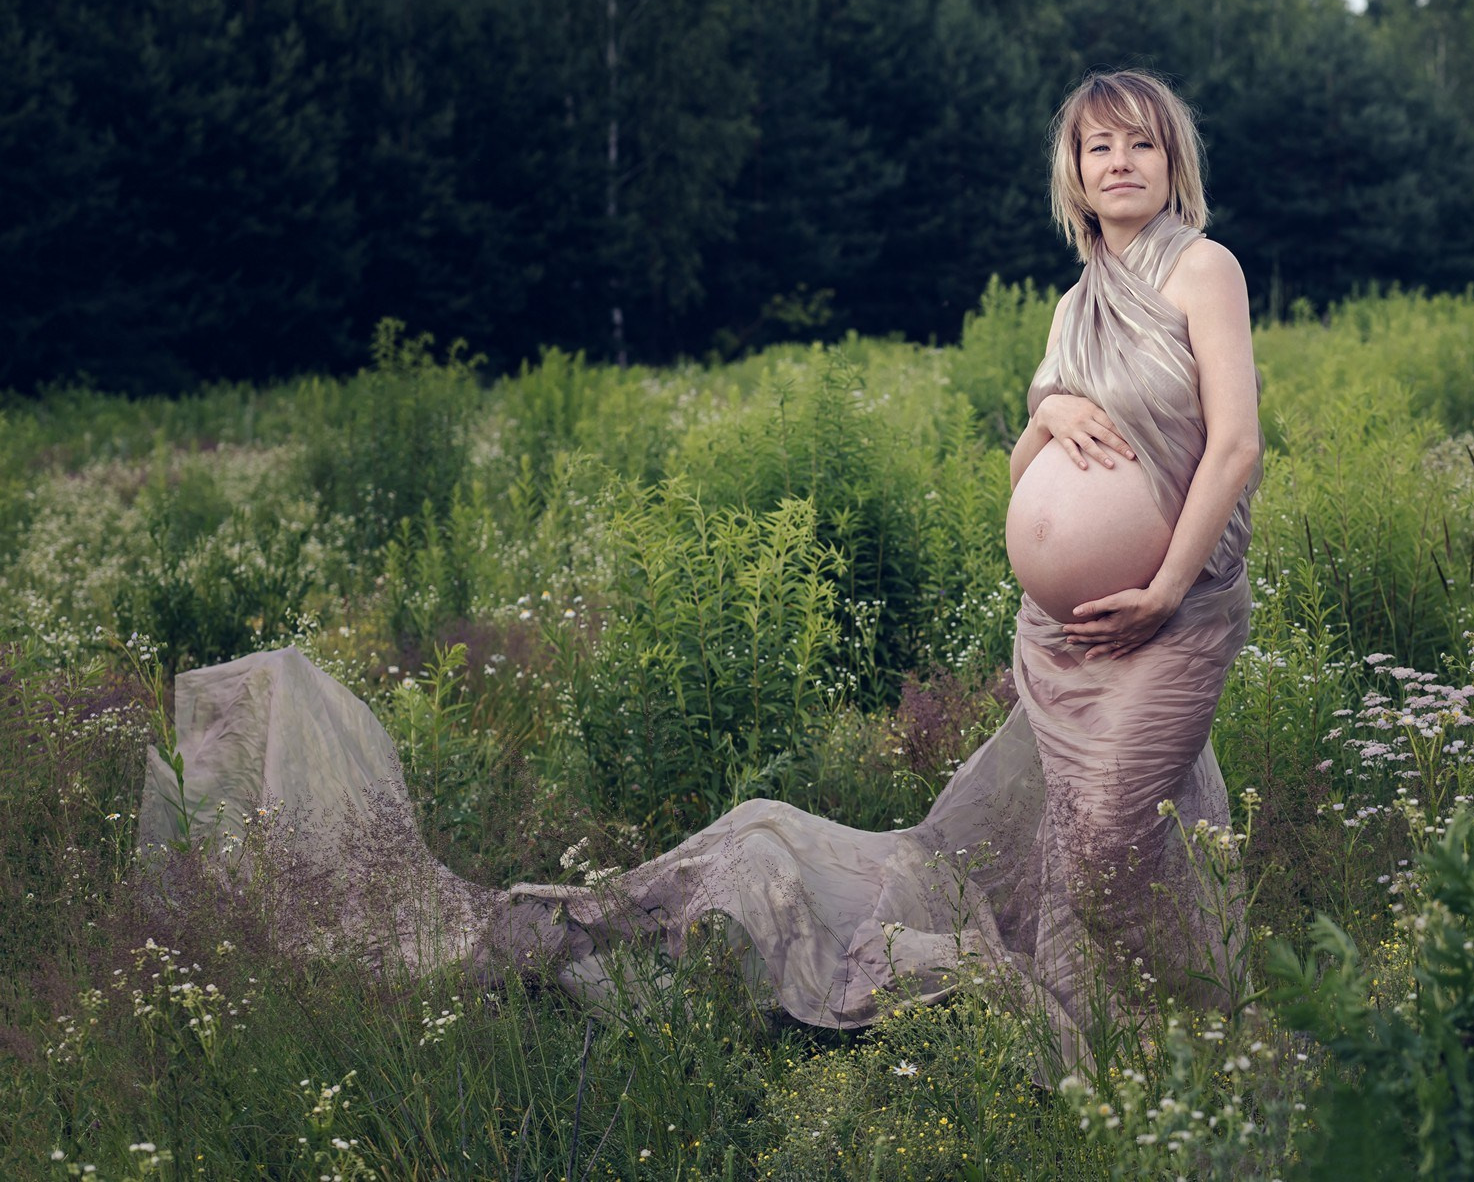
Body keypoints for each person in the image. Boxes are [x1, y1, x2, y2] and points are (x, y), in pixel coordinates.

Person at [140, 69, 1262, 1080]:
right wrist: (1049, 403)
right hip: (1059, 636)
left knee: (1113, 834)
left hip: (1173, 614)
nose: (1119, 165)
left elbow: (1234, 446)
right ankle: (1119, 1041)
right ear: (1071, 172)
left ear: (1175, 165)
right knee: (1079, 839)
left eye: (1140, 146)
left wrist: (1163, 585)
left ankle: (1183, 1022)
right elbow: (1024, 463)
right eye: (1096, 148)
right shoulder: (1073, 305)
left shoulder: (1202, 270)